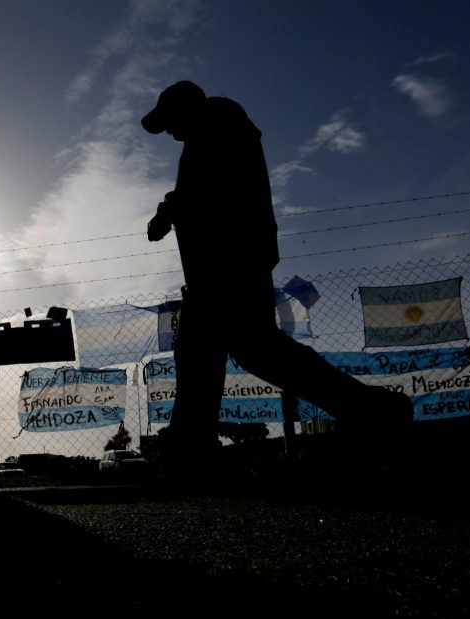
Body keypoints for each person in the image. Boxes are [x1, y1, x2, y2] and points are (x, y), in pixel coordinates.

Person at [141, 80, 413, 467]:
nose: (169, 132)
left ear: (186, 109)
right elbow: (203, 187)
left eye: (170, 122)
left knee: (234, 349)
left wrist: (171, 209)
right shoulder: (210, 130)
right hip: (223, 266)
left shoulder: (217, 122)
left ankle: (191, 447)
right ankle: (374, 410)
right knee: (233, 351)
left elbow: (213, 186)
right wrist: (173, 209)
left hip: (231, 262)